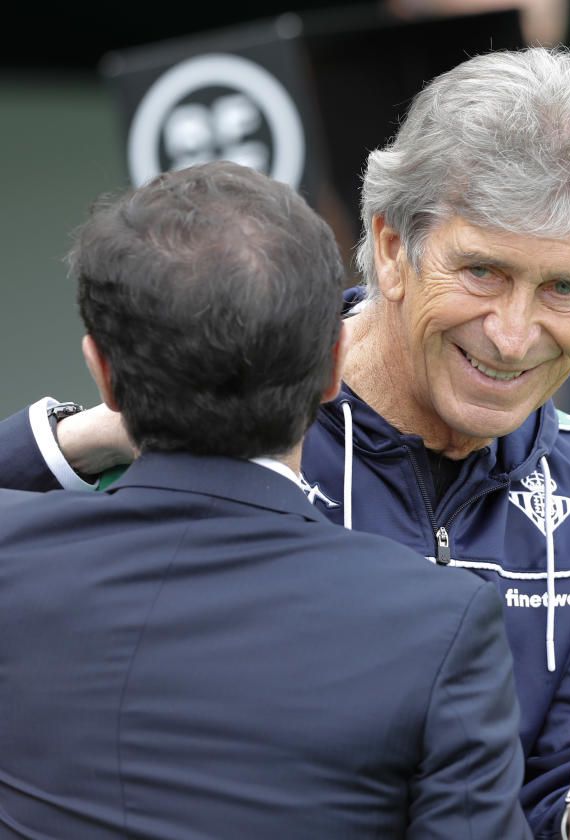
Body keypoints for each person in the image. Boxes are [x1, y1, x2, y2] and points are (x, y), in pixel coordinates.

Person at [0, 50, 570, 838]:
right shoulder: (249, 423)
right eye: (482, 272)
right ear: (388, 247)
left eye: (563, 288)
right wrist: (96, 434)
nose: (513, 336)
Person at [0, 161, 533, 838]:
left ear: (103, 372)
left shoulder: (13, 557)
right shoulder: (440, 623)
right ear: (335, 366)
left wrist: (72, 438)